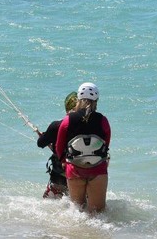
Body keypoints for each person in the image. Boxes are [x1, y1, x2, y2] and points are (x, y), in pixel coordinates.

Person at [55, 82, 111, 213]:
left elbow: (59, 147)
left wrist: (64, 161)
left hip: (74, 169)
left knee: (77, 211)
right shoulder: (103, 120)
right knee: (98, 214)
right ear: (96, 100)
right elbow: (106, 145)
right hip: (98, 169)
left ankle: (76, 233)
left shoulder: (67, 121)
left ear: (78, 99)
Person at [36, 91, 78, 198]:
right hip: (81, 176)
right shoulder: (87, 127)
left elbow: (40, 143)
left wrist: (44, 136)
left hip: (59, 177)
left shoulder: (56, 125)